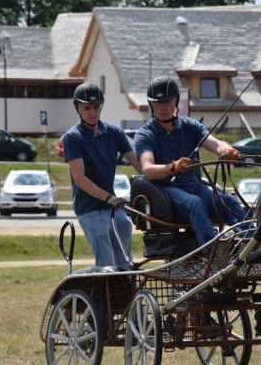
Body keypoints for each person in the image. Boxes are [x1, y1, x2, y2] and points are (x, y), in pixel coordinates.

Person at [135, 76, 250, 246]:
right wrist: (172, 167)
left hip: (195, 186)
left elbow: (214, 143)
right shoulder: (145, 134)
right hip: (168, 190)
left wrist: (226, 150)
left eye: (167, 100)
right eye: (157, 102)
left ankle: (251, 241)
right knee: (195, 203)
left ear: (176, 101)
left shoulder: (190, 126)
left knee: (228, 200)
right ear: (151, 104)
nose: (163, 106)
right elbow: (148, 170)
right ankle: (212, 251)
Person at [62, 83, 142, 269]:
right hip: (89, 209)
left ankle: (125, 286)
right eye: (87, 108)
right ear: (78, 109)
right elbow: (80, 179)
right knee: (106, 264)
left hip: (111, 208)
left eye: (96, 107)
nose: (92, 112)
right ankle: (104, 292)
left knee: (125, 228)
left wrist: (161, 175)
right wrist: (108, 197)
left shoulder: (114, 133)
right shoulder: (72, 138)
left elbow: (138, 163)